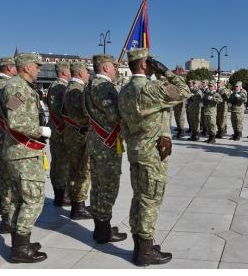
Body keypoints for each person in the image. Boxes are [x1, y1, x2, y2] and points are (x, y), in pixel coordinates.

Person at [118, 48, 190, 266]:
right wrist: (166, 72)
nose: (153, 64)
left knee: (139, 197)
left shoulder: (124, 90)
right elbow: (184, 90)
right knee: (150, 200)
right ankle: (145, 252)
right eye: (150, 61)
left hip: (135, 151)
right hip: (152, 154)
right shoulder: (152, 88)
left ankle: (140, 244)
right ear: (143, 64)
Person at [0, 53, 50, 263]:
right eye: (36, 66)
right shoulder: (18, 88)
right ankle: (20, 248)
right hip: (24, 154)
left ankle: (19, 243)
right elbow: (15, 120)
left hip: (18, 152)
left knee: (18, 200)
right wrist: (41, 130)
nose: (39, 70)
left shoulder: (21, 86)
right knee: (34, 199)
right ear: (26, 67)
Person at [83, 54, 127, 244]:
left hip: (96, 141)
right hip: (106, 145)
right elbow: (115, 115)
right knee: (108, 186)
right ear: (106, 68)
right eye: (114, 67)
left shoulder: (88, 87)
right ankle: (103, 231)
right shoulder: (105, 88)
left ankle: (101, 228)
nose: (117, 70)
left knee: (98, 186)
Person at [0, 57, 17, 234]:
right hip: (9, 137)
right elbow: (12, 111)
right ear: (8, 67)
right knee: (8, 178)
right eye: (15, 66)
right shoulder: (6, 86)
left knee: (6, 177)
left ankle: (5, 210)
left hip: (3, 135)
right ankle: (6, 218)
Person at [63, 62, 91, 220]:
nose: (88, 74)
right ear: (80, 73)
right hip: (78, 137)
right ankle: (78, 207)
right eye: (87, 72)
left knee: (76, 170)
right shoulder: (76, 90)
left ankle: (77, 205)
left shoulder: (73, 87)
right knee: (81, 171)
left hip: (73, 135)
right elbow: (78, 116)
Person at [46, 62, 71, 207]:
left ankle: (59, 195)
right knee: (62, 164)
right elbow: (62, 111)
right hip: (61, 131)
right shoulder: (61, 87)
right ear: (64, 72)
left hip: (55, 130)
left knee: (57, 163)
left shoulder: (53, 86)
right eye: (69, 70)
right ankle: (63, 196)